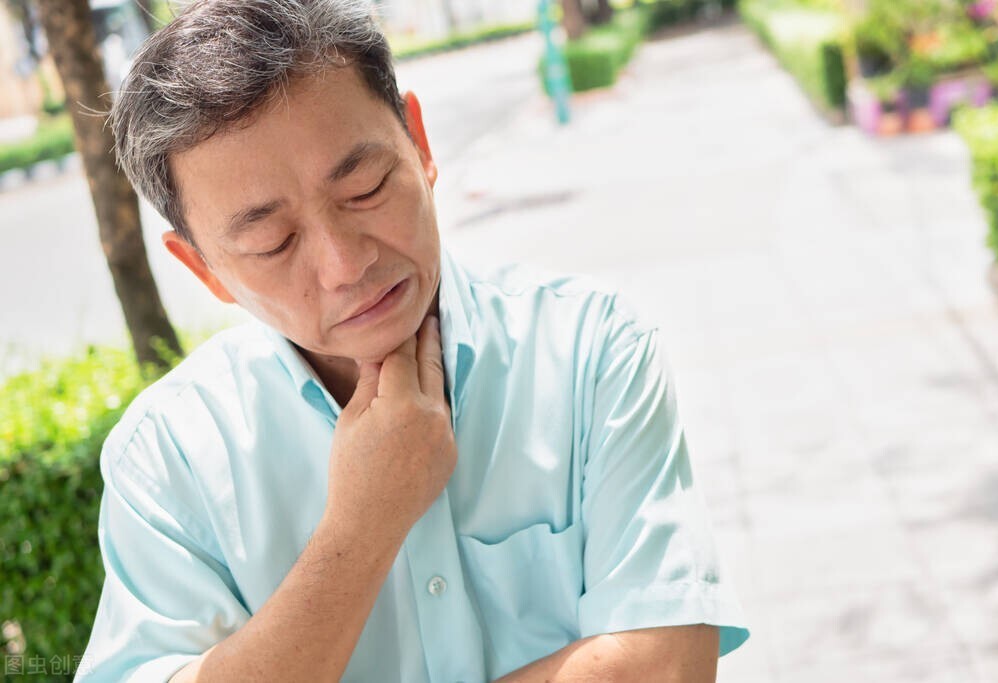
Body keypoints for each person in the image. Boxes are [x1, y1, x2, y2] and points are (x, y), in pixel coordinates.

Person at [75, 0, 750, 680]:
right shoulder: (168, 459)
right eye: (273, 242)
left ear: (419, 144)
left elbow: (666, 663)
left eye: (364, 188)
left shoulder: (589, 348)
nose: (346, 264)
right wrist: (361, 529)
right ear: (205, 269)